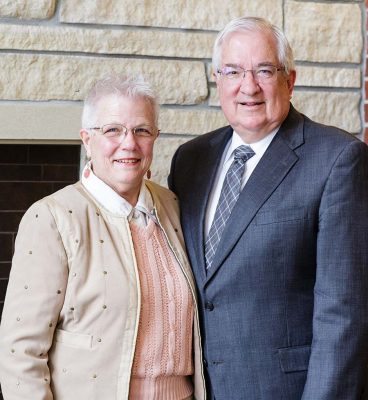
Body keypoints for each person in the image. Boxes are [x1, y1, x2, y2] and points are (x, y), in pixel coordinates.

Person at [168, 16, 368, 400]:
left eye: (263, 70)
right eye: (233, 71)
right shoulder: (190, 160)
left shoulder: (338, 160)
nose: (248, 87)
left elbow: (343, 313)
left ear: (289, 81)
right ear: (217, 79)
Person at [0, 75, 206, 400]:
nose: (129, 143)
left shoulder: (174, 208)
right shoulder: (52, 218)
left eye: (142, 130)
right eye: (113, 130)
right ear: (87, 139)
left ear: (155, 137)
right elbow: (20, 352)